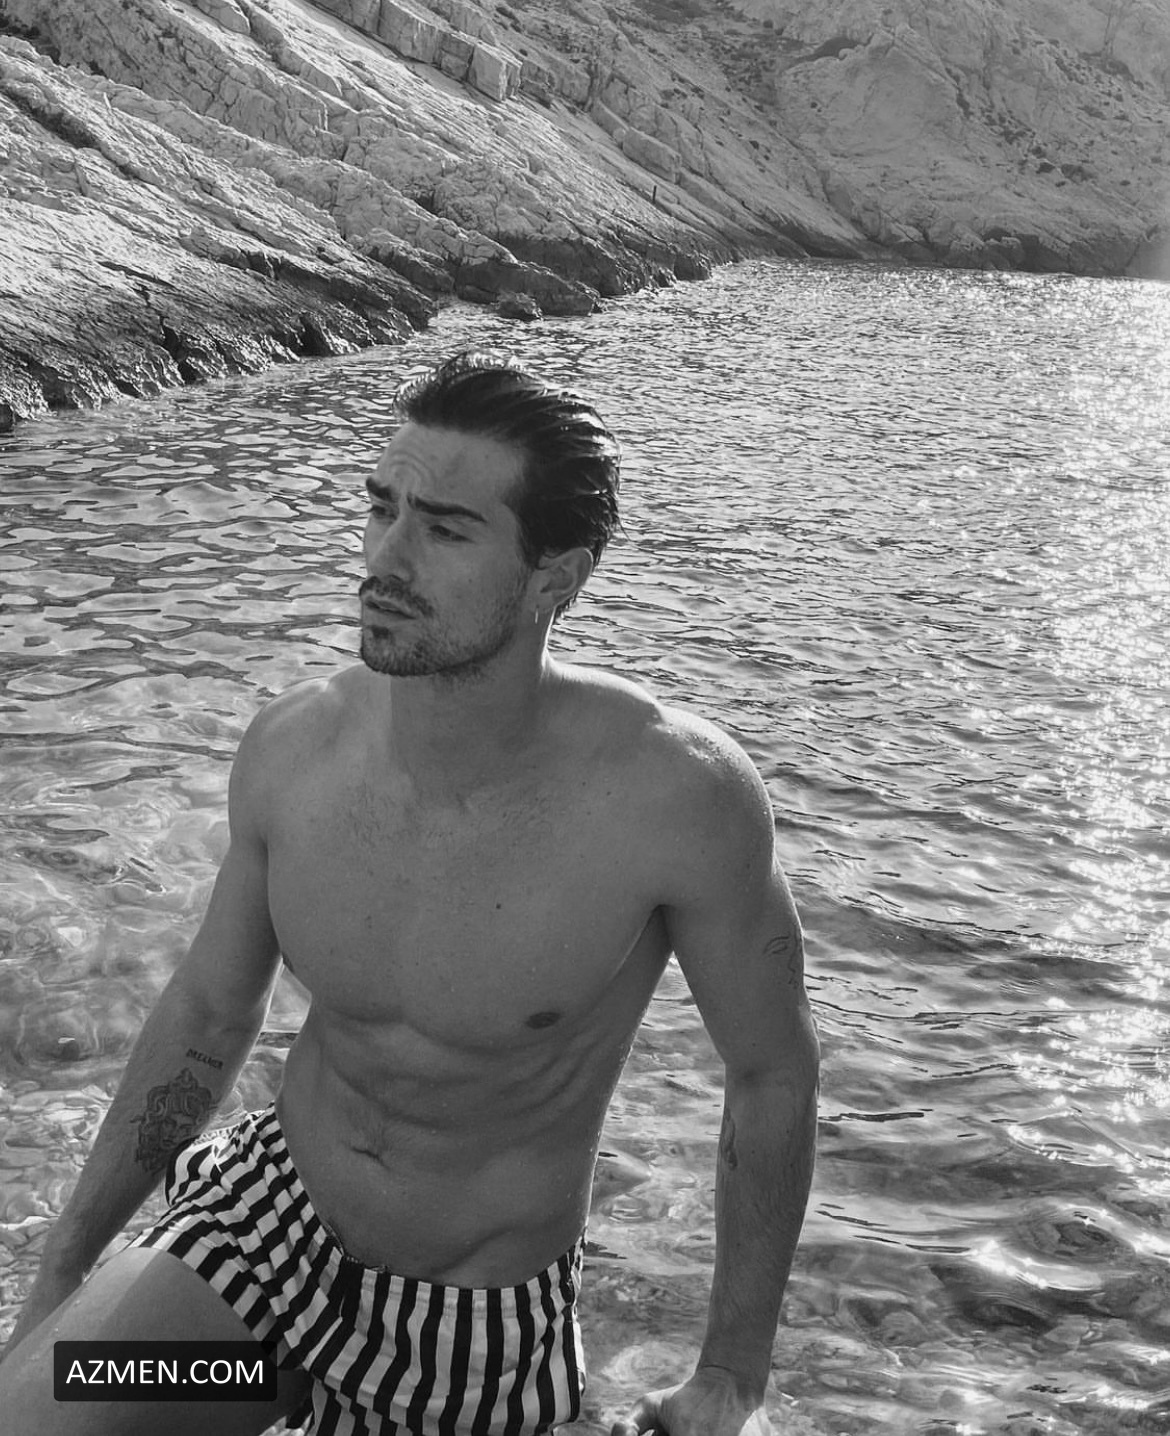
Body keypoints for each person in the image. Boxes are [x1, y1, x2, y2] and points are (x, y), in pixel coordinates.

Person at [0, 350, 820, 1436]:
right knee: (46, 1418)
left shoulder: (675, 796)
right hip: (265, 1248)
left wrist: (732, 1371)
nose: (385, 558)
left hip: (465, 1339)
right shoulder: (297, 748)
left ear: (555, 577)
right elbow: (208, 1012)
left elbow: (770, 1072)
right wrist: (62, 1267)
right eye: (381, 506)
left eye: (445, 528)